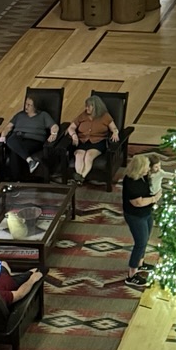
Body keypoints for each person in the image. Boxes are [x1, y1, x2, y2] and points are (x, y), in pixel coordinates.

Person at [0, 94, 59, 179]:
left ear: (35, 106)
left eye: (29, 105)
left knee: (13, 146)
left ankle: (16, 180)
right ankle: (29, 162)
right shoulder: (19, 115)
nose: (26, 107)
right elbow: (8, 127)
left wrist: (53, 134)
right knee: (13, 143)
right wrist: (3, 134)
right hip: (18, 138)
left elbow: (54, 126)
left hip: (34, 140)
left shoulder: (43, 115)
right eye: (26, 104)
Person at [122, 151, 157, 286]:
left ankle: (140, 263)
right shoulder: (131, 182)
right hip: (135, 216)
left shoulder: (143, 176)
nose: (148, 169)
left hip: (146, 213)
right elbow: (138, 202)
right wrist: (154, 199)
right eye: (146, 167)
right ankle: (131, 275)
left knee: (145, 238)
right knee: (140, 243)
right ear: (139, 168)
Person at [66, 93, 119, 180]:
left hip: (98, 142)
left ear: (95, 107)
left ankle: (81, 177)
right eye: (86, 106)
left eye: (88, 107)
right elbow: (71, 127)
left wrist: (115, 133)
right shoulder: (83, 115)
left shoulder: (105, 116)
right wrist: (74, 135)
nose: (86, 108)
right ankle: (78, 177)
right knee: (79, 155)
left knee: (88, 156)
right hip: (82, 141)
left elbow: (114, 128)